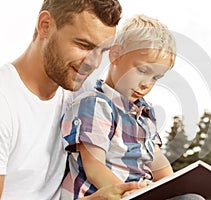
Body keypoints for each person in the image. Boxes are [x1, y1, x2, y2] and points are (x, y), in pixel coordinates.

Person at [0, 0, 143, 199]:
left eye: (101, 51)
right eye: (84, 45)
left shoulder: (83, 92)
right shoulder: (5, 101)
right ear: (45, 26)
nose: (93, 63)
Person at [60, 15, 204, 200]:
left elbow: (160, 168)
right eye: (143, 71)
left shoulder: (144, 114)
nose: (146, 84)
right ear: (115, 55)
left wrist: (182, 186)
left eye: (155, 78)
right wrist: (129, 194)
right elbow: (94, 169)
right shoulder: (95, 105)